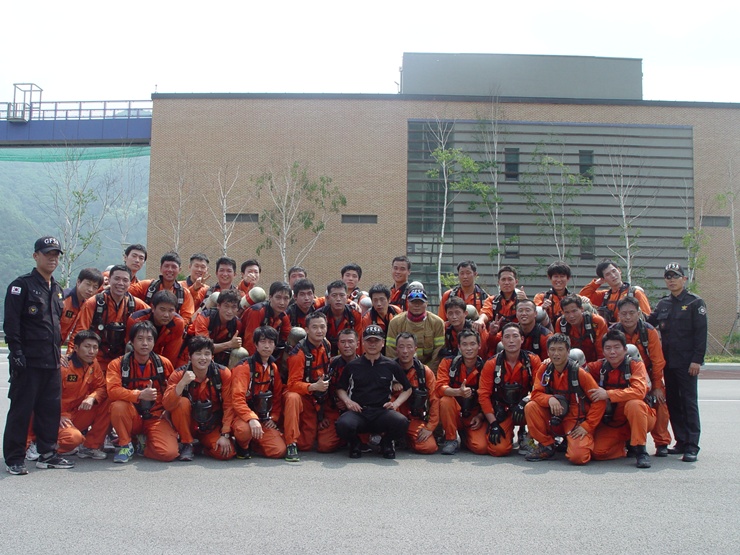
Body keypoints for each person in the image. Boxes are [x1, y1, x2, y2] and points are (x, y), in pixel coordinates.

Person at [3, 236, 73, 475]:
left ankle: (47, 454)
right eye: (47, 254)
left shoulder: (57, 289)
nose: (52, 258)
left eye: (56, 255)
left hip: (51, 361)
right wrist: (16, 353)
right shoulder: (21, 286)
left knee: (49, 411)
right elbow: (11, 323)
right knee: (21, 410)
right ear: (36, 256)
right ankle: (14, 458)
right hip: (28, 361)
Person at [647, 263, 707, 463]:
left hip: (687, 363)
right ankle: (681, 440)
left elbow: (701, 334)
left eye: (675, 276)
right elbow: (648, 323)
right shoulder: (663, 304)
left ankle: (692, 445)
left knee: (689, 403)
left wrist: (697, 360)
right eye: (668, 276)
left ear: (684, 279)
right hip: (669, 363)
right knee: (673, 402)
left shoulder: (695, 303)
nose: (672, 280)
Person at [524, 334, 606, 464]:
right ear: (548, 352)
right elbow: (536, 394)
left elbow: (599, 400)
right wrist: (549, 399)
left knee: (578, 457)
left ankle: (571, 442)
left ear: (568, 351)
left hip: (575, 420)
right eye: (552, 349)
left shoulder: (579, 373)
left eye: (560, 349)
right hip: (554, 417)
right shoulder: (545, 369)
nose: (556, 354)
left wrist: (587, 426)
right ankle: (547, 445)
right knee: (531, 406)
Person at [335, 325, 412, 459]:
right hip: (359, 412)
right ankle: (355, 443)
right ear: (362, 343)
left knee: (402, 422)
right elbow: (340, 388)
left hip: (381, 412)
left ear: (383, 343)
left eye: (376, 341)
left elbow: (408, 388)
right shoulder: (353, 365)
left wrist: (396, 404)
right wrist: (348, 402)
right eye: (369, 341)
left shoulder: (391, 365)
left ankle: (386, 443)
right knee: (342, 424)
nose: (372, 344)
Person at [106, 321, 179, 463]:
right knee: (118, 406)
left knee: (168, 454)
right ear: (131, 342)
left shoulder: (163, 364)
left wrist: (168, 411)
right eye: (140, 339)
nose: (145, 343)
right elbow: (112, 391)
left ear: (154, 342)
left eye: (149, 339)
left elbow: (171, 391)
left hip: (155, 416)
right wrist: (139, 395)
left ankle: (143, 446)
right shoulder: (117, 364)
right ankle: (125, 444)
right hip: (132, 416)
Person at [585, 330, 655, 468]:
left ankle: (641, 450)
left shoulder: (635, 365)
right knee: (598, 453)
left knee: (634, 404)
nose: (612, 352)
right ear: (603, 351)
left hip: (642, 417)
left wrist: (608, 394)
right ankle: (624, 443)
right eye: (608, 348)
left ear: (625, 349)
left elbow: (639, 392)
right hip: (616, 422)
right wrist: (550, 362)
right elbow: (577, 371)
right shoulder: (598, 367)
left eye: (617, 347)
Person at [613, 296, 671, 456]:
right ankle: (628, 440)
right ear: (618, 315)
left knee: (659, 401)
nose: (628, 317)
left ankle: (662, 442)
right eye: (624, 313)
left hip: (647, 376)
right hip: (622, 377)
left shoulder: (649, 332)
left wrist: (657, 386)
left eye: (631, 313)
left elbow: (658, 361)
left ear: (639, 313)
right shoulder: (613, 332)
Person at [163, 336, 235, 461]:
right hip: (188, 424)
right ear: (189, 357)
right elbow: (167, 405)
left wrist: (225, 434)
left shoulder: (222, 373)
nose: (203, 358)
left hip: (211, 425)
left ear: (212, 357)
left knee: (226, 453)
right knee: (182, 402)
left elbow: (229, 404)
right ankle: (187, 443)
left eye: (207, 354)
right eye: (198, 354)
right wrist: (182, 383)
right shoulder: (179, 374)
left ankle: (200, 449)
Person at [284, 311, 341, 461]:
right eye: (314, 327)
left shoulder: (326, 345)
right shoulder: (298, 354)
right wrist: (313, 387)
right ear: (307, 330)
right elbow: (292, 385)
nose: (319, 331)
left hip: (319, 398)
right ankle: (290, 443)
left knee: (312, 444)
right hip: (303, 397)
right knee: (292, 397)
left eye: (322, 327)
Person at [479, 323, 541, 457]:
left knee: (536, 405)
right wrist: (493, 423)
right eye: (507, 337)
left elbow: (540, 388)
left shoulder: (533, 360)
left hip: (525, 408)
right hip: (502, 410)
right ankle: (508, 432)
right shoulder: (491, 364)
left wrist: (526, 400)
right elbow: (483, 395)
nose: (511, 340)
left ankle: (528, 437)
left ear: (522, 339)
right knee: (498, 449)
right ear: (501, 340)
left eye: (515, 336)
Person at [70, 264, 148, 371]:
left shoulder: (135, 304)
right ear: (109, 280)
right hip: (96, 358)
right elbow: (79, 332)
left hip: (124, 360)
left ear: (130, 283)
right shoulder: (94, 303)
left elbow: (154, 315)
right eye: (117, 279)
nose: (120, 283)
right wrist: (71, 357)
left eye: (125, 280)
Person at [230, 327, 287, 459]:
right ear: (255, 344)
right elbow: (237, 399)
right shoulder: (244, 368)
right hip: (242, 416)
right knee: (244, 431)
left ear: (275, 345)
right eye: (263, 342)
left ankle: (255, 442)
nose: (267, 346)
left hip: (262, 416)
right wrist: (251, 418)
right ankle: (243, 445)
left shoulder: (273, 368)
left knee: (278, 450)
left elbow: (277, 396)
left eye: (271, 342)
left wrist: (274, 417)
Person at [56, 331, 111, 459]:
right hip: (58, 417)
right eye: (87, 347)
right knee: (73, 438)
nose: (91, 351)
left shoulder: (93, 364)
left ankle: (90, 446)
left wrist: (92, 397)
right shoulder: (64, 367)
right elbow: (45, 396)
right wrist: (57, 415)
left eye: (95, 347)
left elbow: (101, 387)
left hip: (77, 412)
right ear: (76, 348)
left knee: (109, 400)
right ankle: (44, 446)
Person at [436, 329, 488, 455]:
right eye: (464, 344)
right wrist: (458, 392)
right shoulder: (448, 363)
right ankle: (450, 439)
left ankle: (466, 436)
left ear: (479, 345)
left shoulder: (487, 367)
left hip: (473, 415)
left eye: (472, 344)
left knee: (481, 447)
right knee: (445, 400)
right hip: (454, 413)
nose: (469, 348)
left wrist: (481, 416)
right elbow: (439, 388)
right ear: (459, 347)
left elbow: (490, 396)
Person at [393, 332, 439, 454]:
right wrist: (392, 387)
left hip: (414, 418)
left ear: (415, 349)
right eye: (401, 347)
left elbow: (434, 399)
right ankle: (390, 436)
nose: (405, 351)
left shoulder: (424, 372)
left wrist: (430, 427)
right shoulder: (388, 369)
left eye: (409, 347)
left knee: (429, 447)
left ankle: (407, 438)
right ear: (396, 349)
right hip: (393, 419)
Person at [385, 287, 445, 372]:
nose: (417, 305)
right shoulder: (395, 322)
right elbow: (391, 352)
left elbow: (438, 354)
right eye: (413, 302)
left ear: (426, 303)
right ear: (408, 303)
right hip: (402, 370)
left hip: (429, 371)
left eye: (420, 302)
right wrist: (399, 374)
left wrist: (427, 373)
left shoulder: (437, 323)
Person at [579, 258, 651, 324]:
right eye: (608, 274)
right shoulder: (605, 296)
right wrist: (596, 283)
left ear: (619, 270)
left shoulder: (634, 293)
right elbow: (582, 296)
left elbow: (647, 318)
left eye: (614, 271)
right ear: (603, 279)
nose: (613, 275)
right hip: (609, 332)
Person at [129, 251, 195, 322]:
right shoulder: (147, 286)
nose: (170, 270)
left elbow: (186, 318)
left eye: (174, 267)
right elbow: (125, 295)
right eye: (166, 266)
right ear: (160, 268)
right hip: (146, 326)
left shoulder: (184, 293)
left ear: (179, 270)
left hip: (170, 327)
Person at [127, 290, 186, 366]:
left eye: (171, 311)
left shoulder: (178, 323)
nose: (166, 315)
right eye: (162, 310)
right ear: (153, 308)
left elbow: (171, 354)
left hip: (159, 357)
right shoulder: (136, 320)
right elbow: (130, 348)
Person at [191, 289, 242, 366]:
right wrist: (229, 344)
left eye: (234, 307)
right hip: (194, 356)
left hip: (220, 360)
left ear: (238, 309)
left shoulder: (237, 324)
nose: (229, 311)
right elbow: (204, 348)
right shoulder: (204, 318)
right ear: (218, 306)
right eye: (226, 306)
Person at [240, 281, 291, 355]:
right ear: (270, 297)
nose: (282, 302)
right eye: (278, 297)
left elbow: (288, 337)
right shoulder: (257, 311)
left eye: (286, 298)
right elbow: (250, 342)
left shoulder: (283, 316)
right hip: (244, 350)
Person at [556, 294, 608, 363]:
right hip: (571, 364)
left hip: (595, 363)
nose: (571, 316)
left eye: (574, 311)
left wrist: (593, 367)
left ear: (582, 309)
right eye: (567, 312)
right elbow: (559, 350)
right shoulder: (561, 324)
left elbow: (602, 353)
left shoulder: (597, 321)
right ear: (562, 313)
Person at [475, 266, 525, 335]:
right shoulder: (492, 300)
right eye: (503, 279)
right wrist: (481, 320)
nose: (506, 283)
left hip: (516, 336)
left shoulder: (522, 300)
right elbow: (486, 312)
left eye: (510, 279)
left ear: (516, 282)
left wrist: (525, 302)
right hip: (495, 336)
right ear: (499, 282)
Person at [60, 268, 104, 345]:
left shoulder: (87, 303)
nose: (90, 290)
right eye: (88, 284)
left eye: (95, 287)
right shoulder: (64, 299)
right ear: (78, 282)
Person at [318, 280, 362, 356]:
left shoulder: (355, 314)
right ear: (328, 298)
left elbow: (358, 340)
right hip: (325, 352)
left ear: (347, 297)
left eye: (342, 295)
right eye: (334, 295)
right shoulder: (320, 315)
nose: (338, 299)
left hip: (348, 353)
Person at [361, 283, 401, 353]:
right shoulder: (366, 318)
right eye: (375, 300)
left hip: (395, 351)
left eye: (382, 300)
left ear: (389, 300)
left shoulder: (397, 312)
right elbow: (364, 344)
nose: (379, 304)